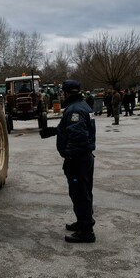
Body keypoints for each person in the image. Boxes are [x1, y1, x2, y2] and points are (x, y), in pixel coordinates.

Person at [39, 80, 96, 243]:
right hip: (85, 158)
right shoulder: (82, 105)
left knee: (79, 193)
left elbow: (78, 135)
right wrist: (54, 131)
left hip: (78, 159)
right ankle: (84, 221)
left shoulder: (75, 110)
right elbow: (73, 129)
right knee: (84, 192)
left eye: (62, 92)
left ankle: (86, 232)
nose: (61, 95)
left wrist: (70, 157)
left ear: (67, 93)